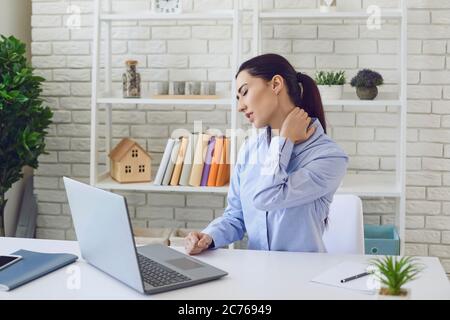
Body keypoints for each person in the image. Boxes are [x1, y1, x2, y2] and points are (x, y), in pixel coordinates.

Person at [185, 53, 349, 255]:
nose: (240, 106)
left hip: (303, 277)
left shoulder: (329, 157)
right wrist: (209, 237)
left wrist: (284, 140)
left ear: (276, 84)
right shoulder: (250, 149)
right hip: (257, 272)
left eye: (244, 92)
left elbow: (267, 197)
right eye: (237, 98)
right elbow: (236, 216)